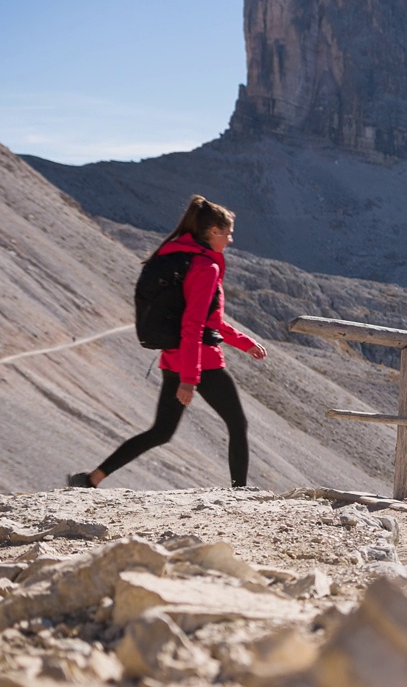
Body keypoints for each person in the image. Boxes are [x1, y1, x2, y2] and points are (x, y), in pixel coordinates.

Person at [68, 195, 268, 489]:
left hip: (173, 358)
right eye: (227, 233)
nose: (230, 239)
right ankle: (239, 491)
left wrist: (243, 342)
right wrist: (190, 379)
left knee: (161, 432)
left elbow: (204, 319)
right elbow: (194, 324)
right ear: (213, 231)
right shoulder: (205, 267)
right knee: (238, 425)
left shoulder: (175, 256)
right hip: (202, 362)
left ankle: (90, 479)